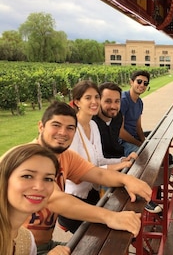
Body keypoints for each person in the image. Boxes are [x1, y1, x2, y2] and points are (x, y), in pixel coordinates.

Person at [23, 101, 151, 254]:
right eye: (56, 125)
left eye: (70, 128)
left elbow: (97, 173)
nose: (63, 132)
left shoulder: (65, 156)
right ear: (41, 126)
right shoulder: (28, 158)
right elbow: (55, 200)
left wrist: (127, 180)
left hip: (44, 245)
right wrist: (110, 217)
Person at [58, 80, 136, 233]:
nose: (94, 102)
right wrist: (117, 167)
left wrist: (122, 160)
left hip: (93, 195)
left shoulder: (93, 126)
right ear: (77, 102)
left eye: (96, 97)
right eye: (88, 98)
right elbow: (80, 173)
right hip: (74, 202)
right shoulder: (71, 129)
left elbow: (99, 159)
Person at [93, 82, 161, 214]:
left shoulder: (117, 116)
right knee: (114, 197)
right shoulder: (92, 123)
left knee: (139, 162)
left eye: (117, 101)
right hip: (102, 168)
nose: (113, 106)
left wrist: (123, 159)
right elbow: (95, 162)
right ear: (98, 101)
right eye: (108, 101)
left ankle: (142, 198)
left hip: (115, 157)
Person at [0, 144, 70, 255]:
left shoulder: (27, 239)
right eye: (27, 176)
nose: (39, 187)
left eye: (48, 179)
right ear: (4, 178)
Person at [119, 70, 151, 156]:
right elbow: (120, 132)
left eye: (145, 83)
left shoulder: (139, 102)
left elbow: (138, 127)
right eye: (139, 81)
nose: (142, 85)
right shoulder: (123, 100)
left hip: (134, 138)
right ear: (131, 82)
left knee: (157, 153)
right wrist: (139, 144)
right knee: (143, 156)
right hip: (122, 141)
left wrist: (144, 142)